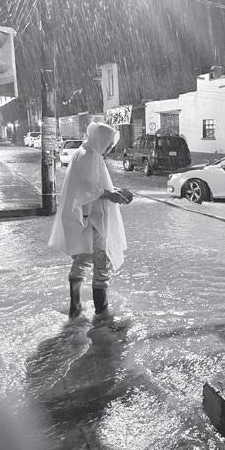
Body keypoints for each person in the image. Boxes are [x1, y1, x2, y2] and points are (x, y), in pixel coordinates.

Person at [49, 122, 133, 319]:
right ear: (100, 139)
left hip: (85, 217)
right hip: (94, 219)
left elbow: (93, 184)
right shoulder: (89, 156)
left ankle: (75, 308)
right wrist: (111, 195)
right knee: (101, 264)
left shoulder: (85, 152)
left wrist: (114, 191)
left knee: (83, 258)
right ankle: (102, 314)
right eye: (108, 143)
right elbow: (89, 188)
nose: (110, 147)